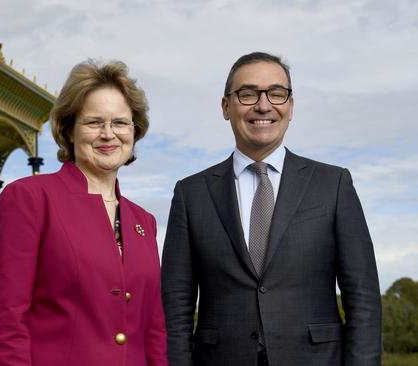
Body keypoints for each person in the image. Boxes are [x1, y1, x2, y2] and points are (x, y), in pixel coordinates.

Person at [161, 52, 381, 366]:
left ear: (290, 106)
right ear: (226, 107)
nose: (263, 105)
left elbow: (363, 297)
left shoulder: (333, 184)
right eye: (248, 94)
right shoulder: (191, 193)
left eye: (277, 94)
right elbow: (176, 304)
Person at [0, 60, 167, 366]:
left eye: (120, 123)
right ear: (69, 130)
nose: (108, 134)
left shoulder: (143, 222)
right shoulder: (30, 199)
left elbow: (154, 330)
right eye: (94, 122)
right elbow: (8, 321)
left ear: (134, 132)